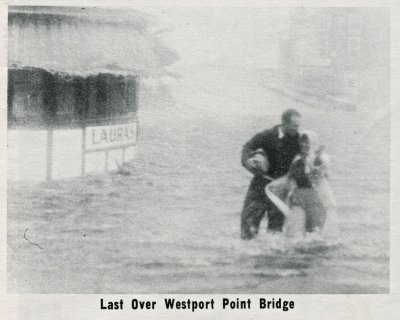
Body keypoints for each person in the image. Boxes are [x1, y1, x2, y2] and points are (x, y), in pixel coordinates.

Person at [240, 109, 301, 239]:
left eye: (298, 126)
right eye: (294, 125)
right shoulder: (267, 135)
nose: (297, 129)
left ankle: (271, 258)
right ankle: (246, 256)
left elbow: (307, 155)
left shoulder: (298, 141)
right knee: (248, 225)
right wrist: (248, 161)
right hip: (260, 185)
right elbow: (247, 146)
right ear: (284, 122)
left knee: (275, 231)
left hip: (280, 189)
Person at [266, 130, 336, 236]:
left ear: (313, 142)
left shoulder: (322, 158)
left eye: (307, 141)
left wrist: (314, 166)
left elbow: (322, 175)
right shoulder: (297, 159)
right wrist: (272, 185)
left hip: (316, 198)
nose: (303, 144)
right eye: (302, 142)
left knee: (314, 234)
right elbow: (288, 178)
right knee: (293, 233)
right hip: (298, 197)